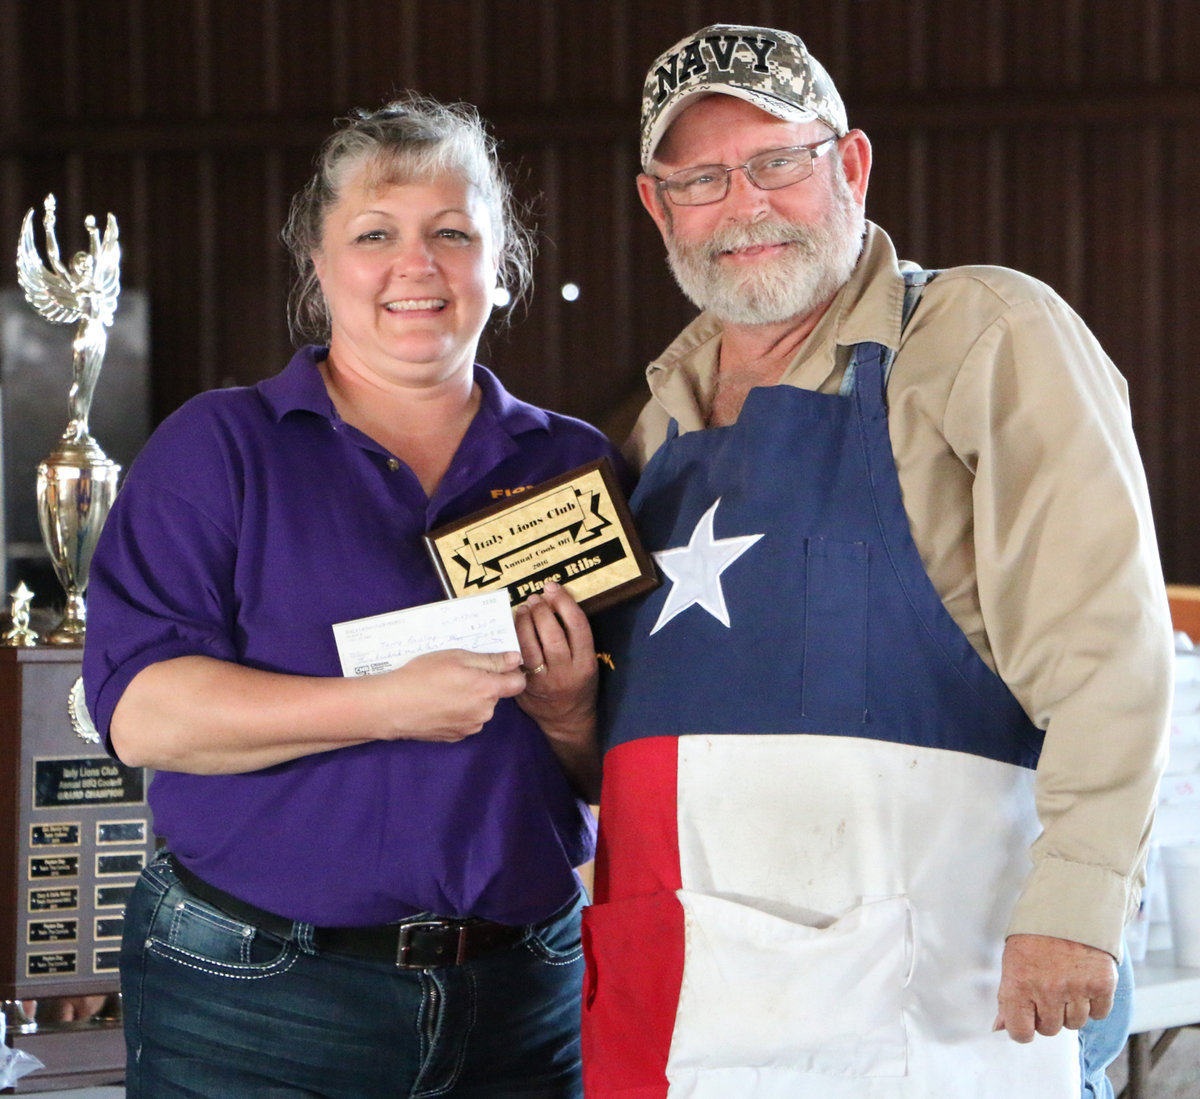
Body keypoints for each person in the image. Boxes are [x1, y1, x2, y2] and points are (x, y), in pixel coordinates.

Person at [581, 24, 1172, 1099]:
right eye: (702, 179)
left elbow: (1108, 649)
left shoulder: (981, 336)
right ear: (655, 206)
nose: (744, 205)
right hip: (688, 1009)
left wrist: (1081, 904)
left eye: (778, 162)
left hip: (940, 1006)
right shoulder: (647, 430)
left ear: (849, 166)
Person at [82, 93, 612, 1098]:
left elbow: (616, 768)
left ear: (501, 266)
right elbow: (144, 714)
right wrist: (383, 706)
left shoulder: (574, 465)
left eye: (451, 233)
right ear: (319, 267)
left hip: (524, 993)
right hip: (255, 997)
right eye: (376, 234)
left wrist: (572, 713)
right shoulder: (220, 446)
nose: (417, 266)